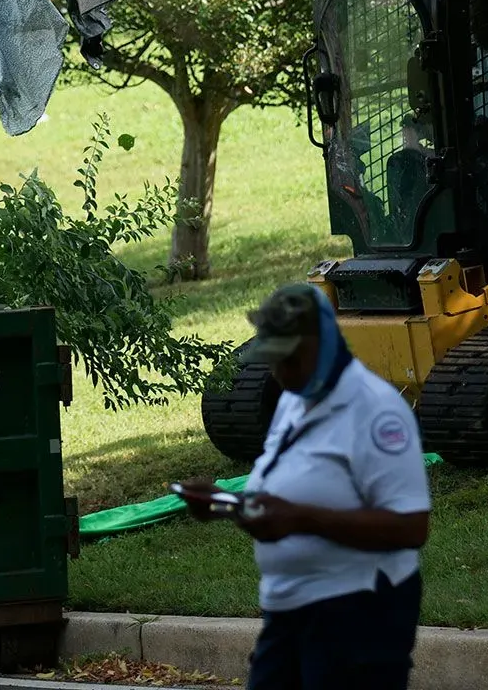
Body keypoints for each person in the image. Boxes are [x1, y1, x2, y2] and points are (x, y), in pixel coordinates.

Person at [180, 282, 431, 690]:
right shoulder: (295, 399)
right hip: (289, 611)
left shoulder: (377, 410)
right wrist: (227, 504)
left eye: (291, 360)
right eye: (273, 361)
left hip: (357, 614)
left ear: (325, 343)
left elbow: (411, 527)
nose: (280, 373)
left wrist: (302, 520)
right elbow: (287, 497)